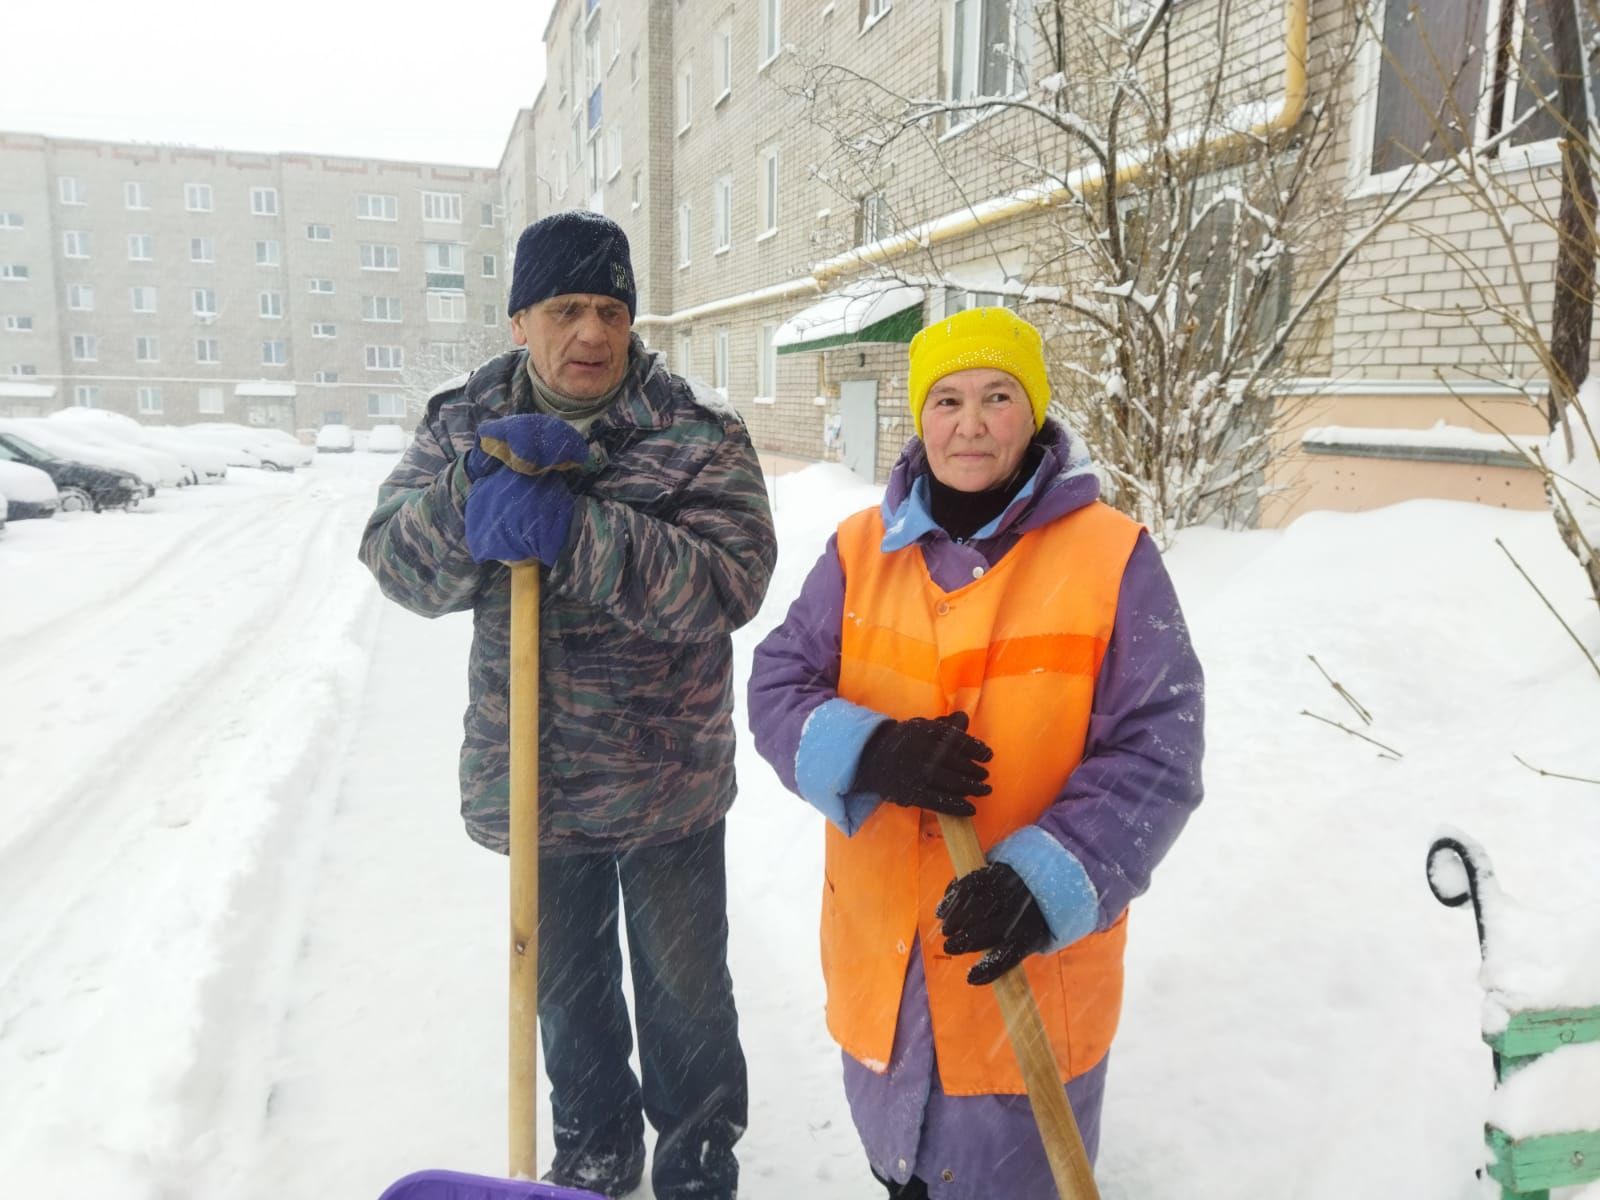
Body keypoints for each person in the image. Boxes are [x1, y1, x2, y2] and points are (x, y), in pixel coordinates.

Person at [359, 210, 777, 1200]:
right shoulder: (463, 430)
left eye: (609, 310)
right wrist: (466, 503)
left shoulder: (693, 436)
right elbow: (395, 567)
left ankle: (695, 1159)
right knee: (565, 994)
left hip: (664, 773)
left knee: (684, 995)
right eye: (564, 309)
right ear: (519, 322)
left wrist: (577, 532)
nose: (590, 332)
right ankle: (593, 1154)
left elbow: (729, 583)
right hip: (534, 771)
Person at [746, 306, 1204, 1198]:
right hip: (886, 969)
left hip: (1026, 970)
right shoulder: (858, 553)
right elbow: (777, 685)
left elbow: (1161, 747)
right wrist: (870, 752)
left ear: (1032, 412)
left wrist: (1046, 880)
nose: (971, 422)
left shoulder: (1112, 559)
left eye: (998, 396)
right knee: (901, 1175)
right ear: (920, 417)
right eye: (947, 399)